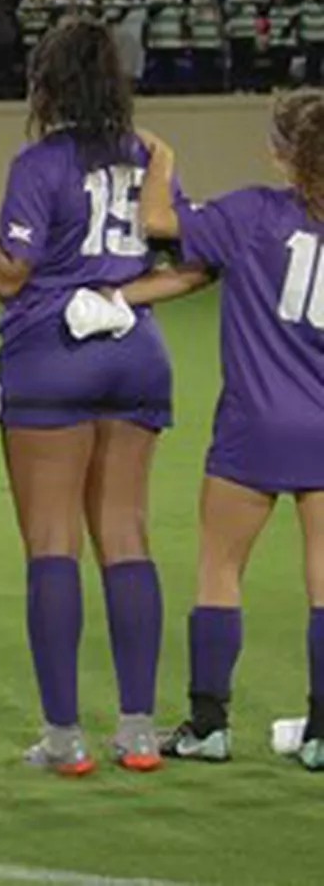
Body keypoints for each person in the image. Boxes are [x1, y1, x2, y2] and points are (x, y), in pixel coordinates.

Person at [0, 19, 170, 774]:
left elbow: (7, 275)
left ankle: (65, 736)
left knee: (53, 542)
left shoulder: (42, 162)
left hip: (54, 355)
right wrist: (120, 296)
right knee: (126, 532)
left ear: (49, 84)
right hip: (137, 353)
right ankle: (139, 730)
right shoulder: (144, 156)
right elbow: (181, 249)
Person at [121, 97, 324, 768]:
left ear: (282, 154)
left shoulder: (253, 214)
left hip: (254, 425)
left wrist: (163, 158)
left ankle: (209, 724)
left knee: (220, 567)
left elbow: (158, 222)